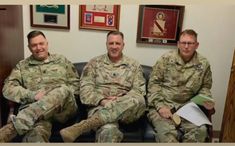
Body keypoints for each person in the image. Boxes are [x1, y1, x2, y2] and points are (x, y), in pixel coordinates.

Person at [59, 31, 146, 142]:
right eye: (111, 43)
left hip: (127, 111)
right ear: (106, 44)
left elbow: (139, 90)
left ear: (123, 45)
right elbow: (85, 92)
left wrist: (119, 100)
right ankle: (98, 121)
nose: (114, 46)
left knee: (139, 100)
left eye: (117, 43)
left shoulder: (134, 65)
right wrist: (102, 101)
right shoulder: (94, 64)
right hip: (99, 107)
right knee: (109, 129)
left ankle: (84, 126)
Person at [0, 30, 80, 142]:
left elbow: (76, 85)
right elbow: (8, 89)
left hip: (63, 111)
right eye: (34, 45)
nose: (38, 48)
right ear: (29, 48)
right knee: (36, 133)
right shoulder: (22, 66)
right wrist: (33, 95)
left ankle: (11, 129)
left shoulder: (62, 60)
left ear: (47, 43)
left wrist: (53, 97)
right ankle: (26, 122)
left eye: (41, 43)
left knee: (63, 90)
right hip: (37, 115)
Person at [147, 29, 215, 142]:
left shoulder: (203, 64)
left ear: (196, 45)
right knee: (167, 135)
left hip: (188, 108)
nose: (186, 46)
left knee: (201, 131)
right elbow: (154, 83)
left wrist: (205, 99)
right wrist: (160, 106)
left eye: (190, 43)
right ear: (178, 44)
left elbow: (205, 87)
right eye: (183, 43)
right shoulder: (166, 59)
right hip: (164, 106)